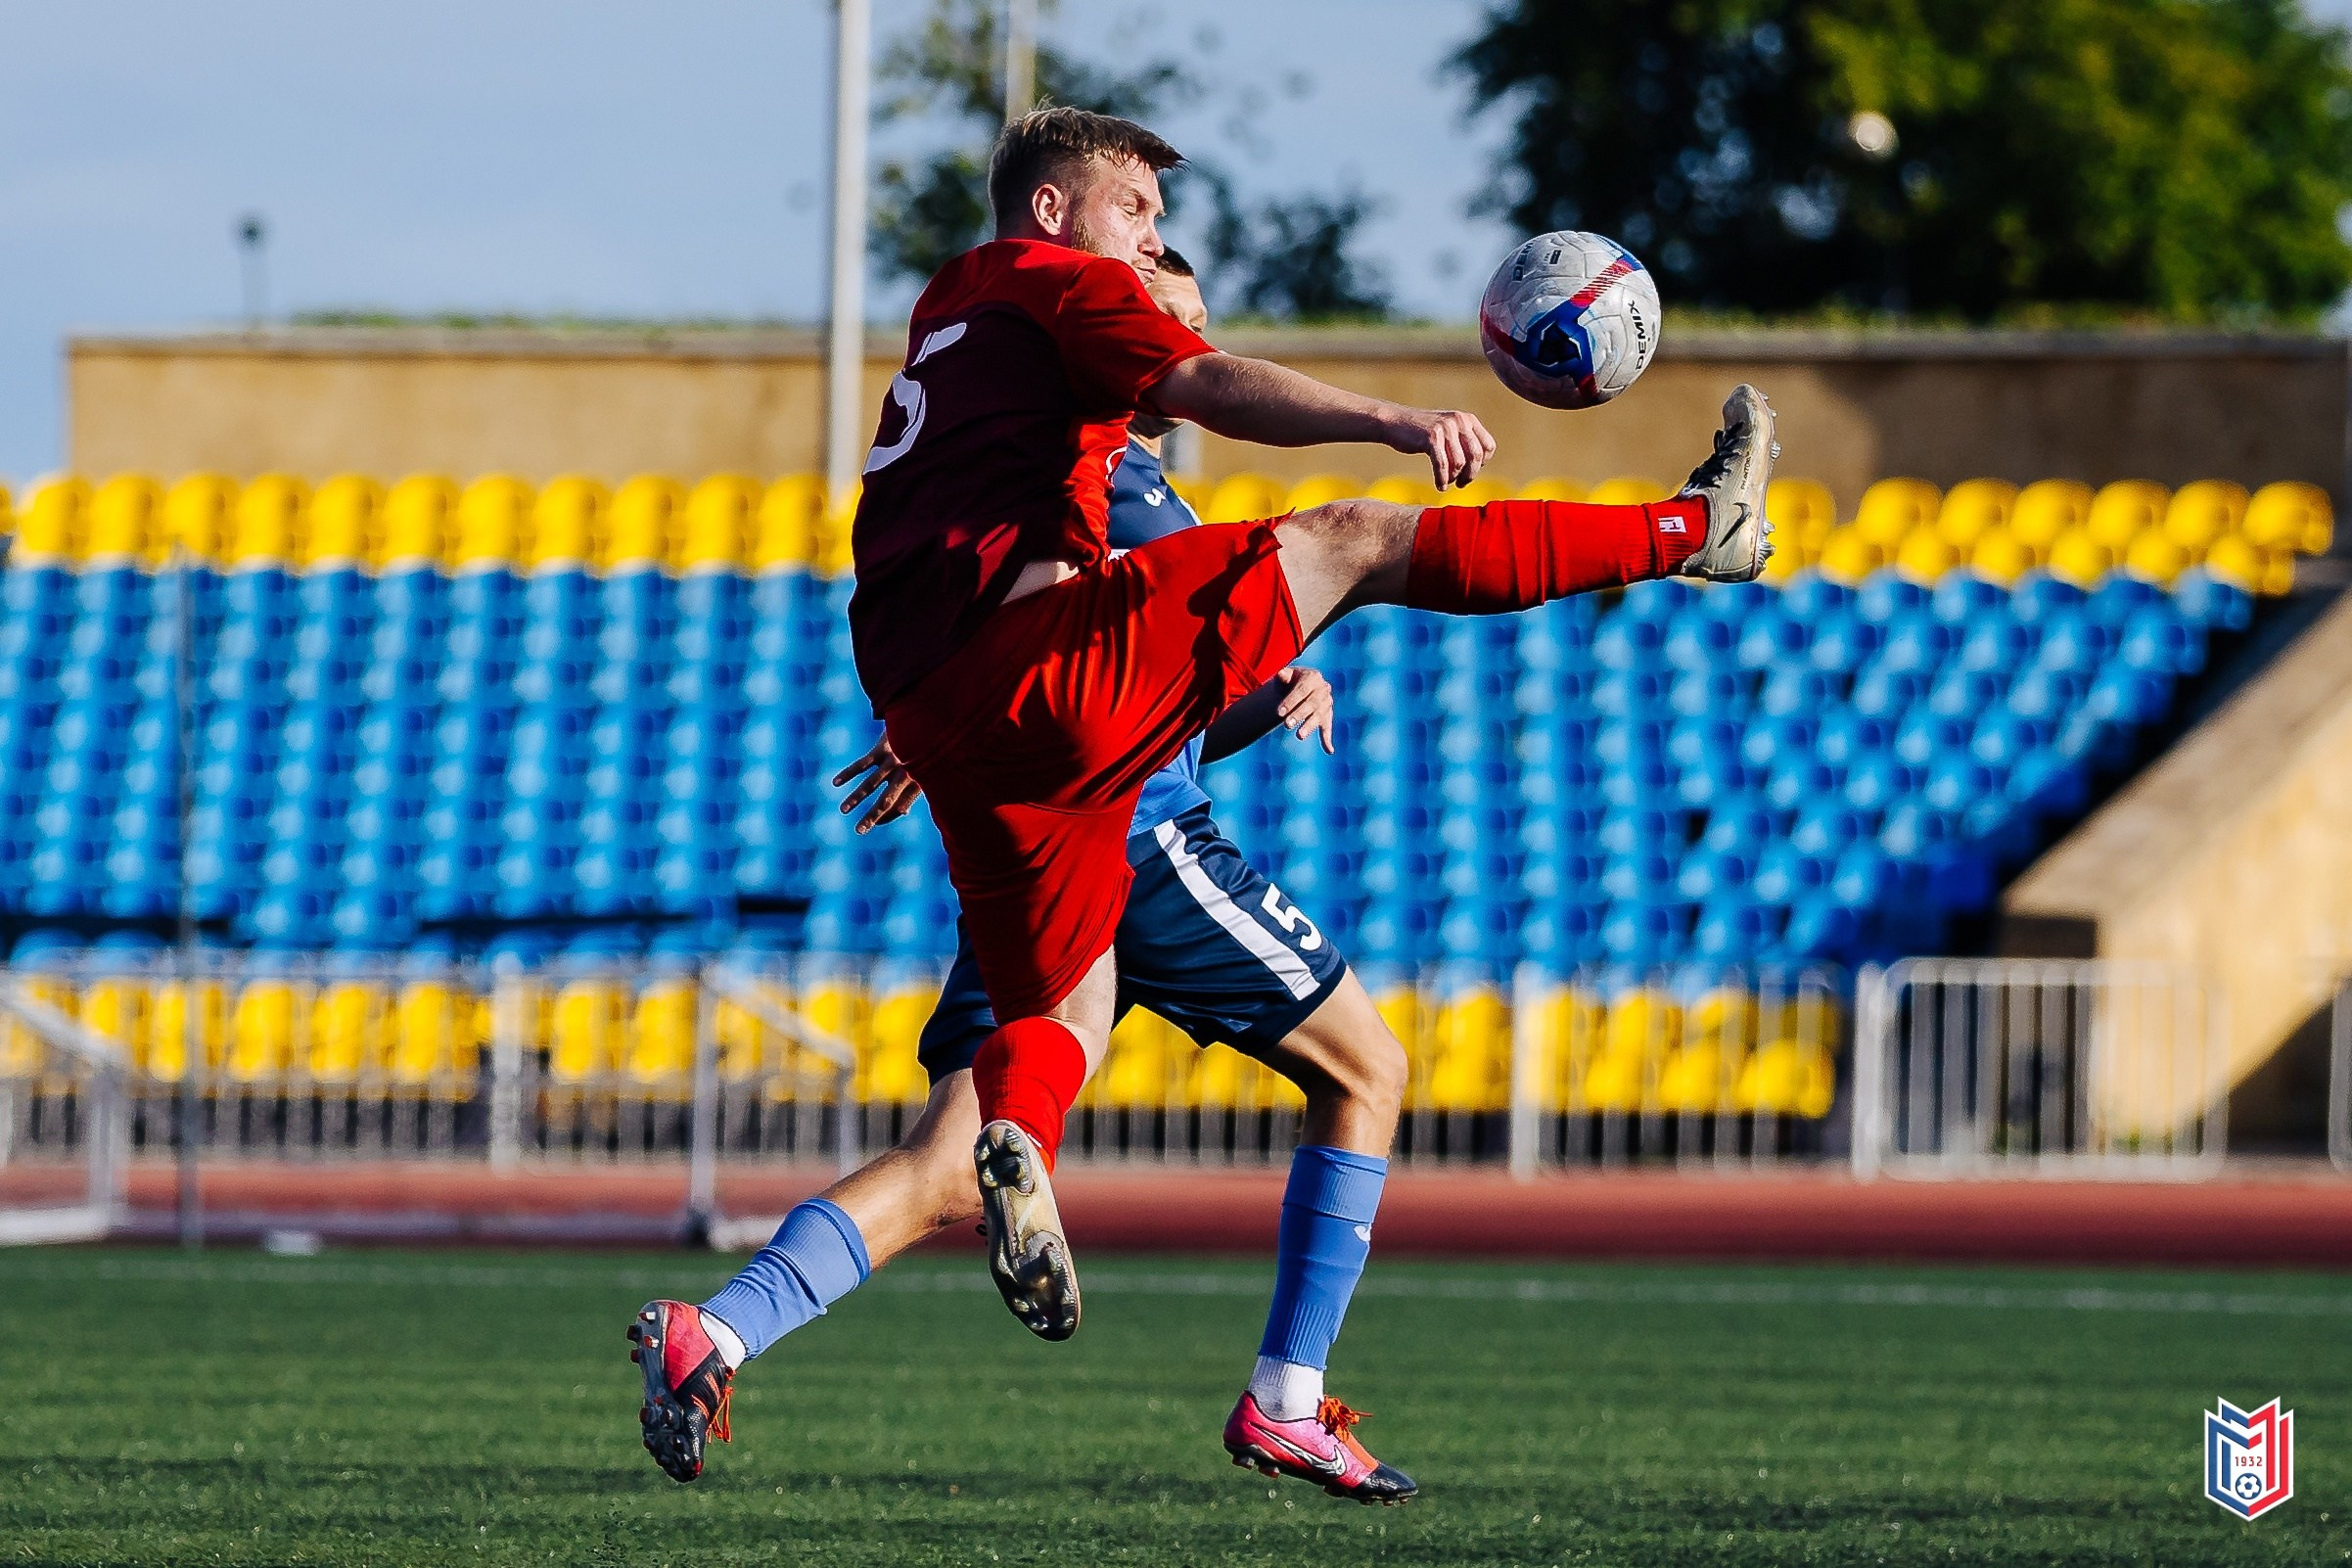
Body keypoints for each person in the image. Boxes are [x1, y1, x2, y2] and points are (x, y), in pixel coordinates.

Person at [637, 104, 1773, 1499]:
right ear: (1058, 216)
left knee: (998, 1099)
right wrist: (1389, 422)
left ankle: (744, 1309)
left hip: (986, 740)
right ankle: (1692, 532)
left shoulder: (957, 324)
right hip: (1119, 793)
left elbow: (979, 549)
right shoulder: (1076, 328)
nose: (1157, 260)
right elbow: (1208, 390)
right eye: (1141, 226)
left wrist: (965, 723)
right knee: (1351, 553)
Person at [632, 253, 1421, 1502]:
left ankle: (715, 1334)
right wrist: (1276, 668)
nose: (1191, 341)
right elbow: (1148, 679)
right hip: (1140, 847)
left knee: (953, 1162)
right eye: (1175, 318)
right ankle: (1287, 1400)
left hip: (1027, 862)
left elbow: (1094, 682)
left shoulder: (1013, 466)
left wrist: (1252, 704)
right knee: (1368, 1070)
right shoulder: (1118, 480)